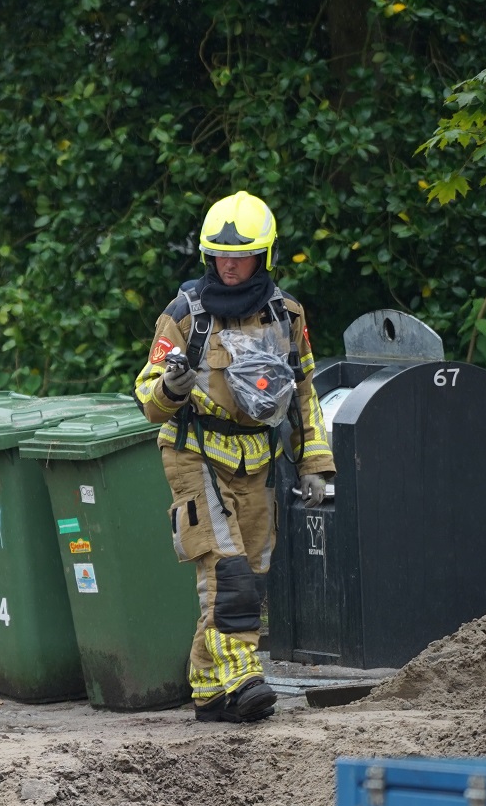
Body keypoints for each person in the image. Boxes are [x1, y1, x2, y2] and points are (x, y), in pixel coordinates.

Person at [133, 191, 335, 722]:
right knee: (229, 576)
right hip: (194, 453)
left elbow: (304, 389)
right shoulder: (185, 315)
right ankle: (245, 676)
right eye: (219, 254)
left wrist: (314, 462)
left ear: (263, 257)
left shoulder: (286, 315)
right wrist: (173, 387)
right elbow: (148, 401)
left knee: (253, 575)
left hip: (258, 460)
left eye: (240, 255)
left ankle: (209, 689)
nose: (228, 263)